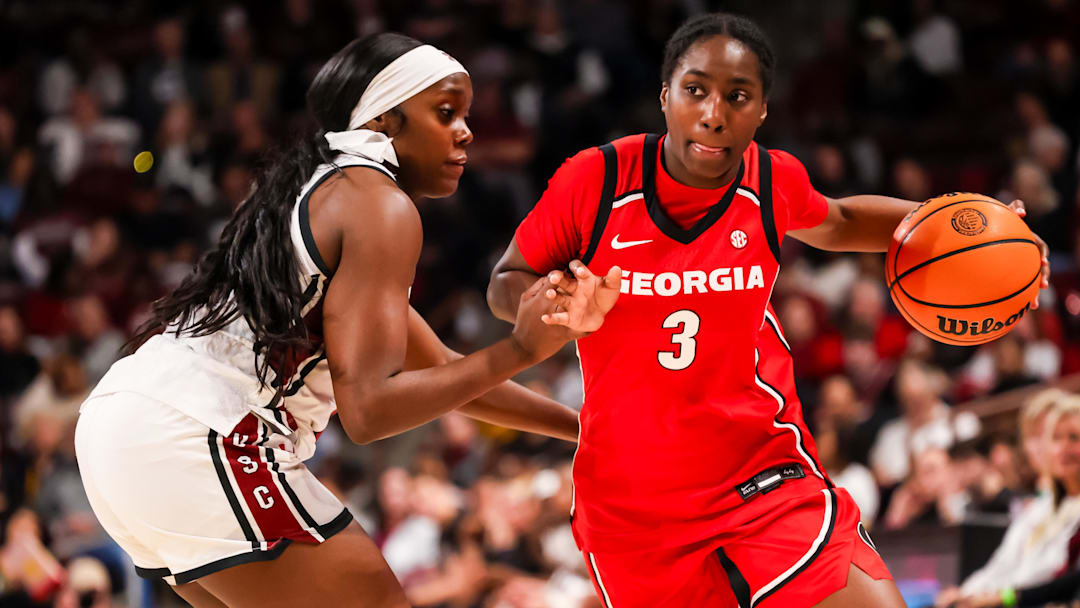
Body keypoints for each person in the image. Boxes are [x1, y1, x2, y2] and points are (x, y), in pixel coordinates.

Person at [487, 12, 1050, 608]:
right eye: (695, 90)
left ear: (761, 111)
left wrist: (975, 229)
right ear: (665, 97)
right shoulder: (594, 182)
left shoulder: (769, 180)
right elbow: (504, 281)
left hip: (760, 466)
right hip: (631, 499)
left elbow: (840, 221)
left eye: (738, 96)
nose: (713, 113)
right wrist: (556, 303)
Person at [74, 33, 615, 608]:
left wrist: (589, 432)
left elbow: (447, 372)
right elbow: (370, 412)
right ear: (385, 119)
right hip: (198, 428)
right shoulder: (377, 203)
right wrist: (520, 350)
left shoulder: (322, 190)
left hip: (128, 424)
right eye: (445, 112)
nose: (466, 132)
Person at [935, 393, 1080, 608]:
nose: (1061, 448)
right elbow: (1002, 565)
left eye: (1074, 437)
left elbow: (1054, 578)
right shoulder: (1044, 507)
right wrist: (967, 594)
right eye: (1055, 438)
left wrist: (999, 598)